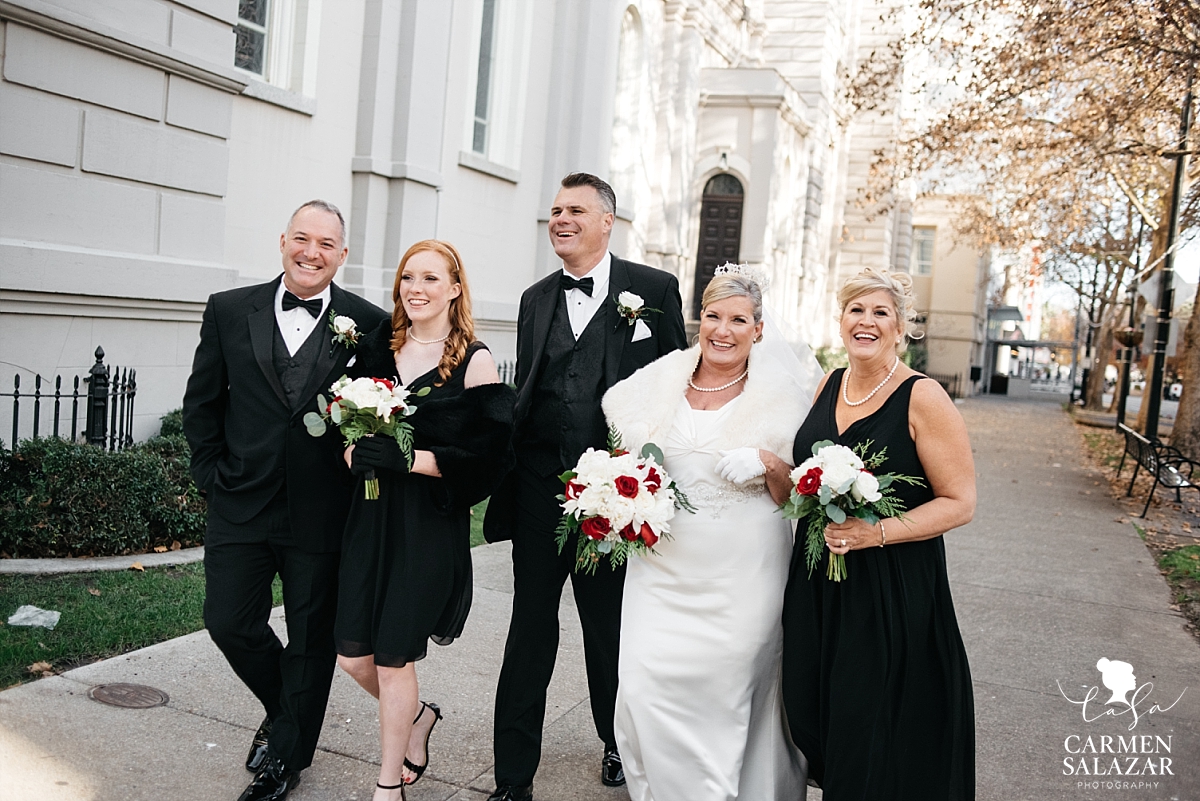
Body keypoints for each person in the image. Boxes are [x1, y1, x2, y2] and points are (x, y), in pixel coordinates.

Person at [482, 172, 688, 801]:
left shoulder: (654, 290)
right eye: (554, 211)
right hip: (539, 492)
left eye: (574, 210)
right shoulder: (534, 297)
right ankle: (512, 779)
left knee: (609, 631)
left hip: (617, 500)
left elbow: (676, 387)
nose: (560, 220)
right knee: (530, 631)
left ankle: (617, 742)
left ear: (607, 221)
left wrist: (648, 481)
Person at [182, 200, 389, 801]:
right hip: (239, 501)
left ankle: (286, 760)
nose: (311, 253)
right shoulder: (228, 309)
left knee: (311, 639)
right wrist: (212, 477)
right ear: (282, 242)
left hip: (322, 513)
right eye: (302, 239)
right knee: (228, 621)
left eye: (327, 244)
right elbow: (202, 404)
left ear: (342, 256)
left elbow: (378, 412)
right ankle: (285, 712)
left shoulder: (369, 324)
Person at [602, 269, 815, 801]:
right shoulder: (654, 386)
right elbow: (622, 464)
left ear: (758, 330)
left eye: (739, 320)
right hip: (661, 571)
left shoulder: (785, 399)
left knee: (723, 701)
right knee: (644, 689)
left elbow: (796, 498)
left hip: (743, 575)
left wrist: (769, 462)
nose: (724, 330)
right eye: (714, 316)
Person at [778, 266, 976, 800]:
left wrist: (879, 532)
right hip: (819, 580)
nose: (866, 322)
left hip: (890, 588)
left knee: (867, 726)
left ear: (902, 326)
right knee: (812, 709)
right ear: (841, 320)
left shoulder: (923, 396)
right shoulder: (827, 383)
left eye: (880, 312)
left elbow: (961, 502)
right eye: (856, 310)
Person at [335, 240, 515, 801]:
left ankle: (389, 785)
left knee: (393, 657)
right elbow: (347, 430)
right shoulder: (376, 351)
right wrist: (355, 450)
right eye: (408, 277)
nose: (416, 288)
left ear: (455, 288)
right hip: (369, 518)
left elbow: (488, 462)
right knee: (352, 657)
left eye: (431, 279)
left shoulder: (473, 360)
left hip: (427, 528)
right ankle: (418, 718)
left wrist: (410, 459)